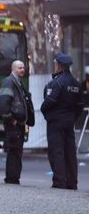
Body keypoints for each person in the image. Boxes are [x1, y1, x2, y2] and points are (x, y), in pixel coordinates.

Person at [41, 52, 84, 190]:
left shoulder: (57, 82)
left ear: (59, 65)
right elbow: (80, 105)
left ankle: (59, 181)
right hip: (69, 122)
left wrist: (45, 112)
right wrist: (73, 118)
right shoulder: (76, 83)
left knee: (56, 151)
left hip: (56, 122)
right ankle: (72, 182)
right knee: (70, 152)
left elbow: (49, 102)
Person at [0, 60, 34, 184]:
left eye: (23, 67)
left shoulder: (18, 83)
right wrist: (11, 119)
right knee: (14, 150)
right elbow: (2, 103)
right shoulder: (9, 82)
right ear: (13, 69)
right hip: (13, 124)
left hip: (19, 123)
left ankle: (14, 178)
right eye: (19, 68)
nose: (22, 69)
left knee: (17, 150)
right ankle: (11, 179)